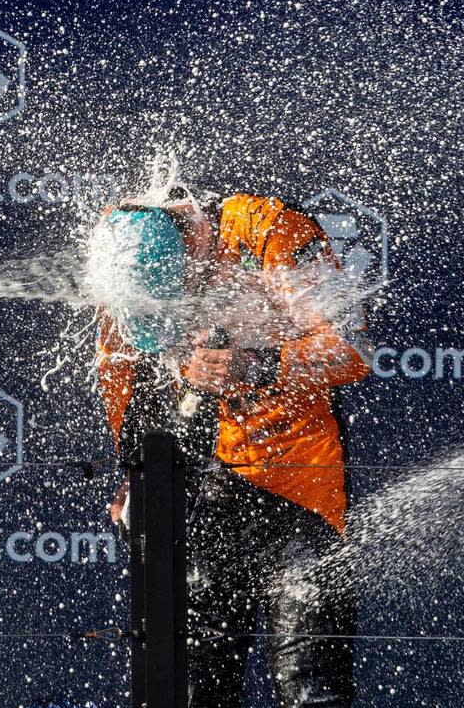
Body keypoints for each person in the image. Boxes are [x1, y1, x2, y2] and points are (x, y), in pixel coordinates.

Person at [97, 183, 371, 707]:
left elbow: (351, 349)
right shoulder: (120, 259)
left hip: (297, 488)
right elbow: (123, 381)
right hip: (195, 494)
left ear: (194, 242)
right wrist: (131, 472)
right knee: (192, 689)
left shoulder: (265, 229)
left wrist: (260, 364)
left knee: (313, 688)